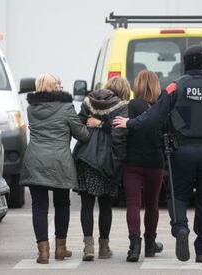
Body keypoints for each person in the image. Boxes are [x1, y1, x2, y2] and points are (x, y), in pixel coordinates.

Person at [113, 45, 202, 263]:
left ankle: (181, 228)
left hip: (182, 150)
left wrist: (130, 122)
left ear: (187, 62)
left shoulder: (177, 86)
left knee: (179, 194)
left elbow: (155, 115)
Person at [20, 73, 89, 264]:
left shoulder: (31, 108)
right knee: (62, 203)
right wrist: (90, 125)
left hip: (35, 161)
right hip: (60, 161)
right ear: (51, 87)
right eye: (57, 84)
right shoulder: (66, 108)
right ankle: (60, 248)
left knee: (39, 206)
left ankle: (43, 253)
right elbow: (82, 134)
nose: (60, 87)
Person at [73, 77, 129, 261]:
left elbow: (79, 125)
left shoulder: (89, 103)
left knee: (87, 205)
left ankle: (88, 247)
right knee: (105, 205)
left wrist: (96, 124)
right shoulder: (122, 107)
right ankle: (104, 248)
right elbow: (119, 133)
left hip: (85, 158)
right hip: (108, 161)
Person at [123, 70, 165, 262]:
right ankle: (150, 244)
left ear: (137, 85)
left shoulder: (132, 105)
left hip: (133, 163)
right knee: (152, 204)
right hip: (155, 162)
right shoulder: (161, 108)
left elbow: (121, 129)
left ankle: (134, 246)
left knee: (133, 203)